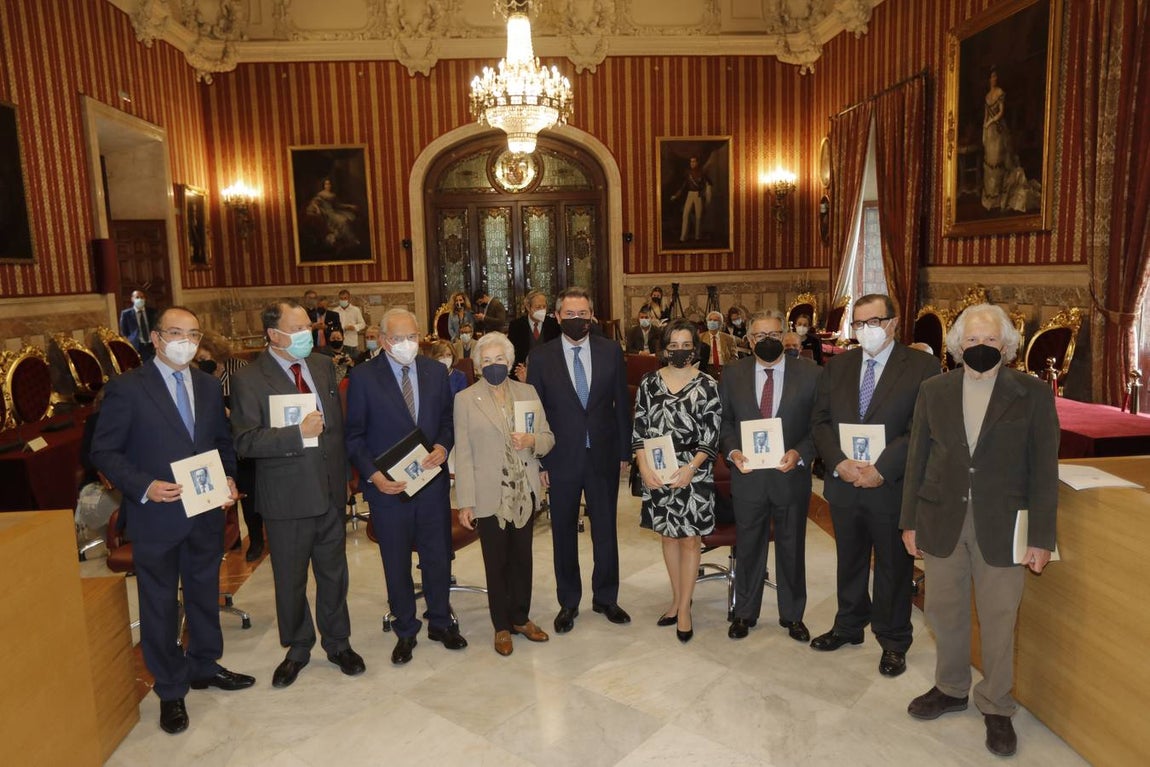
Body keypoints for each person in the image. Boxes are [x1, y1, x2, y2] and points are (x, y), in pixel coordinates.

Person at [901, 303, 1059, 758]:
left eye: (990, 340)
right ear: (957, 346)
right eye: (972, 341)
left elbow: (1043, 471)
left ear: (1006, 346)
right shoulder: (934, 389)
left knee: (998, 618)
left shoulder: (1031, 393)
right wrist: (908, 520)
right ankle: (950, 688)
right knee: (943, 611)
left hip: (1004, 525)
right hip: (941, 517)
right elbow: (917, 459)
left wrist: (1041, 538)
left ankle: (996, 704)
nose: (981, 348)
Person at [91, 306, 254, 735]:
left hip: (204, 512)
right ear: (158, 339)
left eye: (194, 334)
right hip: (156, 514)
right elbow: (104, 452)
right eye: (177, 333)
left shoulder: (205, 384)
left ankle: (204, 664)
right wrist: (145, 486)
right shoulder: (127, 388)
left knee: (204, 592)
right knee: (160, 604)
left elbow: (221, 443)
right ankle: (169, 688)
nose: (187, 341)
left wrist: (229, 481)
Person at [230, 299, 364, 689]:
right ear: (274, 334)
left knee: (334, 574)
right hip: (286, 499)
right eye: (301, 328)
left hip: (328, 493)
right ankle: (298, 647)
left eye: (310, 326)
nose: (312, 333)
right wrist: (296, 434)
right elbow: (245, 441)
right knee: (290, 580)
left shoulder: (322, 366)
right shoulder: (249, 379)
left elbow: (334, 430)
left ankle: (338, 642)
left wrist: (343, 479)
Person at [810, 294, 940, 677]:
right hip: (845, 483)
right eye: (859, 324)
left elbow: (921, 428)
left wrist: (881, 468)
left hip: (891, 485)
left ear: (894, 323)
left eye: (874, 322)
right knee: (848, 559)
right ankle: (849, 625)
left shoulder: (922, 367)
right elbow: (820, 421)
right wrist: (839, 463)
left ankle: (894, 639)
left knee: (892, 566)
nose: (866, 331)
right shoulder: (838, 367)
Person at [345, 307, 464, 664]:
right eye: (399, 339)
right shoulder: (364, 377)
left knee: (437, 555)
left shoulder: (434, 371)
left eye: (413, 337)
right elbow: (353, 436)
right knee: (395, 559)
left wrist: (444, 446)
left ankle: (440, 621)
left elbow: (446, 420)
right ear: (382, 340)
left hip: (430, 483)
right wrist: (374, 476)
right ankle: (405, 629)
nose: (407, 344)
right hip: (388, 489)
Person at [527, 286, 632, 633]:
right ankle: (568, 602)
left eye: (583, 314)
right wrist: (540, 462)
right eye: (570, 315)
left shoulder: (610, 351)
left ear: (592, 316)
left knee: (605, 532)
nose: (577, 320)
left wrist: (623, 452)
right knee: (563, 533)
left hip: (602, 455)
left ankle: (606, 598)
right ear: (558, 317)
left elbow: (621, 403)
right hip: (560, 458)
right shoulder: (541, 358)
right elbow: (535, 414)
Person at [719, 310, 821, 642]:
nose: (767, 342)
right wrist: (733, 452)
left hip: (790, 477)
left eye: (774, 335)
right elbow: (725, 424)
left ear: (786, 336)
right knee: (749, 547)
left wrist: (801, 454)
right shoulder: (732, 374)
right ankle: (745, 613)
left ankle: (793, 615)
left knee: (792, 548)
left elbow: (818, 427)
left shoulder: (811, 374)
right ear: (749, 341)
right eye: (760, 337)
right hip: (747, 477)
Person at [454, 332, 556, 656]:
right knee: (495, 562)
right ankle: (501, 625)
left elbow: (548, 437)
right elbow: (464, 454)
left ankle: (521, 618)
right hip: (488, 494)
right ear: (478, 365)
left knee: (522, 559)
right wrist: (465, 502)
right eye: (487, 360)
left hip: (523, 491)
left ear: (510, 362)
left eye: (500, 359)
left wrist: (531, 442)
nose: (494, 365)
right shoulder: (466, 399)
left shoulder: (528, 392)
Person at [631, 318, 720, 643]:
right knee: (668, 537)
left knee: (690, 540)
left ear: (695, 348)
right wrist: (643, 468)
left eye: (686, 346)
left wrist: (691, 468)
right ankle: (676, 598)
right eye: (674, 346)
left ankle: (684, 609)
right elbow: (639, 429)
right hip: (657, 469)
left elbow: (712, 436)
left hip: (693, 472)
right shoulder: (648, 383)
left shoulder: (708, 385)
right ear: (664, 348)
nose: (680, 351)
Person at [194, 333, 264, 561]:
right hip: (217, 444)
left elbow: (253, 410)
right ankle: (230, 538)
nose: (201, 361)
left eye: (204, 356)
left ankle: (256, 540)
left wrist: (229, 414)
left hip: (243, 439)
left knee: (250, 492)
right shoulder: (198, 377)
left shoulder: (240, 370)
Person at [507, 290, 559, 380]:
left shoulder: (554, 325)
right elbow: (511, 352)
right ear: (528, 307)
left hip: (550, 374)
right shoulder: (516, 326)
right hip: (523, 376)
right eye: (538, 307)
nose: (542, 310)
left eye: (544, 306)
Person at [305, 177, 359, 247]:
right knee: (343, 221)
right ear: (324, 185)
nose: (328, 186)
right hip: (327, 214)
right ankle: (351, 239)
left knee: (349, 218)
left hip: (334, 212)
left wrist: (349, 206)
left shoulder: (333, 195)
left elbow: (338, 205)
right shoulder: (321, 194)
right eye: (326, 184)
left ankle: (347, 239)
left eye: (329, 184)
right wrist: (317, 209)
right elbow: (314, 203)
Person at [670, 155, 710, 242]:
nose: (692, 163)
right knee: (685, 214)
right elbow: (683, 186)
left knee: (698, 216)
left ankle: (698, 236)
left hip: (698, 195)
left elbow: (707, 185)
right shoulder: (688, 173)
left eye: (694, 161)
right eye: (691, 161)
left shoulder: (702, 173)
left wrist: (704, 193)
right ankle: (683, 237)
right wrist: (676, 195)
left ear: (697, 163)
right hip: (690, 194)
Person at [119, 289, 157, 360]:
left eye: (142, 297)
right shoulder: (126, 314)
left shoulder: (152, 312)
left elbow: (156, 327)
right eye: (137, 297)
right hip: (137, 346)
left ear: (145, 299)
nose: (140, 299)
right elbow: (124, 332)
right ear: (132, 299)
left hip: (151, 345)